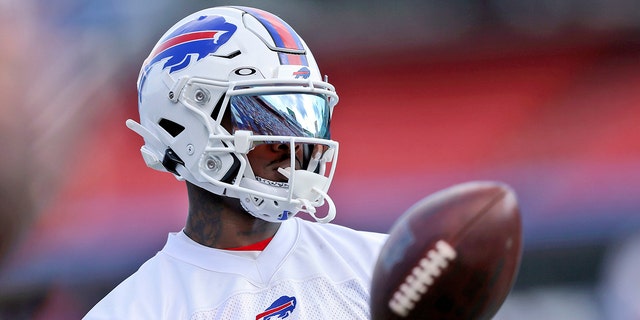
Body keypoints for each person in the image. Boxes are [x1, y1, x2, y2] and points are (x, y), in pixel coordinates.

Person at [84, 6, 387, 319]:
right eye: (263, 119)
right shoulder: (133, 311)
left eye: (303, 118)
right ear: (182, 129)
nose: (293, 145)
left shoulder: (387, 266)